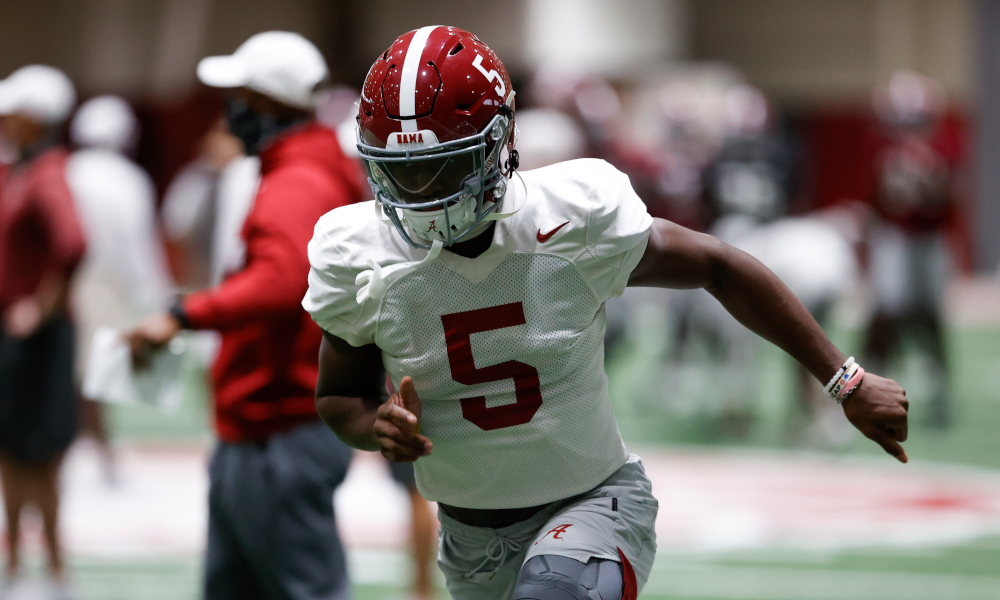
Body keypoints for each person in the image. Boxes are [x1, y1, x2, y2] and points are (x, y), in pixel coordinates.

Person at [303, 26, 911, 600]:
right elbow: (339, 398)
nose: (423, 194)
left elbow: (720, 265)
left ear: (500, 145)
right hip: (470, 540)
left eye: (445, 166)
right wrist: (374, 428)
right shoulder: (357, 252)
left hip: (592, 505)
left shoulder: (570, 215)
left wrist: (845, 379)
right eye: (402, 173)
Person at [127, 32, 363, 600]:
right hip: (268, 423)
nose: (229, 109)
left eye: (241, 96)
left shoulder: (297, 178)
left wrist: (183, 314)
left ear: (271, 102)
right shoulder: (301, 167)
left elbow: (281, 281)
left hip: (278, 423)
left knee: (302, 587)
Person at [0, 65, 85, 598]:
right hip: (18, 340)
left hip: (35, 344)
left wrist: (38, 307)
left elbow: (72, 242)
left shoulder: (46, 173)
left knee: (38, 456)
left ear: (34, 118)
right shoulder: (24, 170)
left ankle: (52, 573)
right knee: (12, 450)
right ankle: (14, 564)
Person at [67, 95, 174, 480]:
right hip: (105, 285)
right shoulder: (128, 180)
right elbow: (139, 246)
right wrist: (159, 297)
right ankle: (103, 460)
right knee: (100, 377)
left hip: (68, 283)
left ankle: (83, 454)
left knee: (74, 375)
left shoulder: (68, 170)